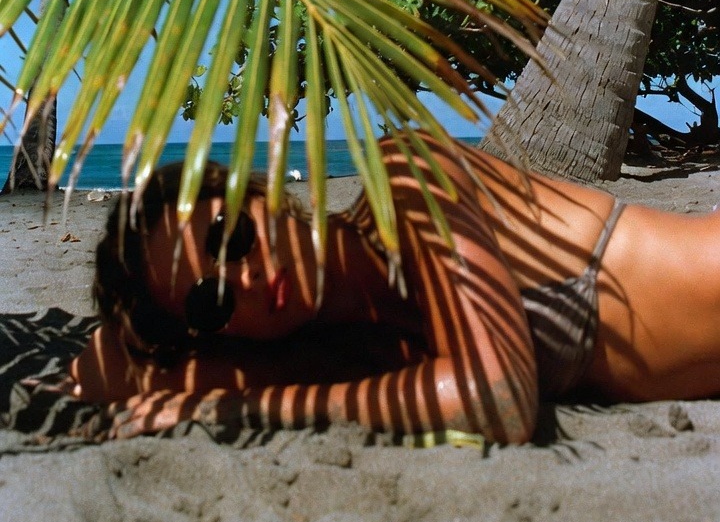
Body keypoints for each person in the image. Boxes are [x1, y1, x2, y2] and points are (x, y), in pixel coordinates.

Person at [64, 134, 720, 444]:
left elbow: (498, 400)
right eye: (213, 300)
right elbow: (97, 371)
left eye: (229, 238)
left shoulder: (407, 179)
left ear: (255, 196)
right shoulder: (364, 346)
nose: (248, 278)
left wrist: (233, 408)